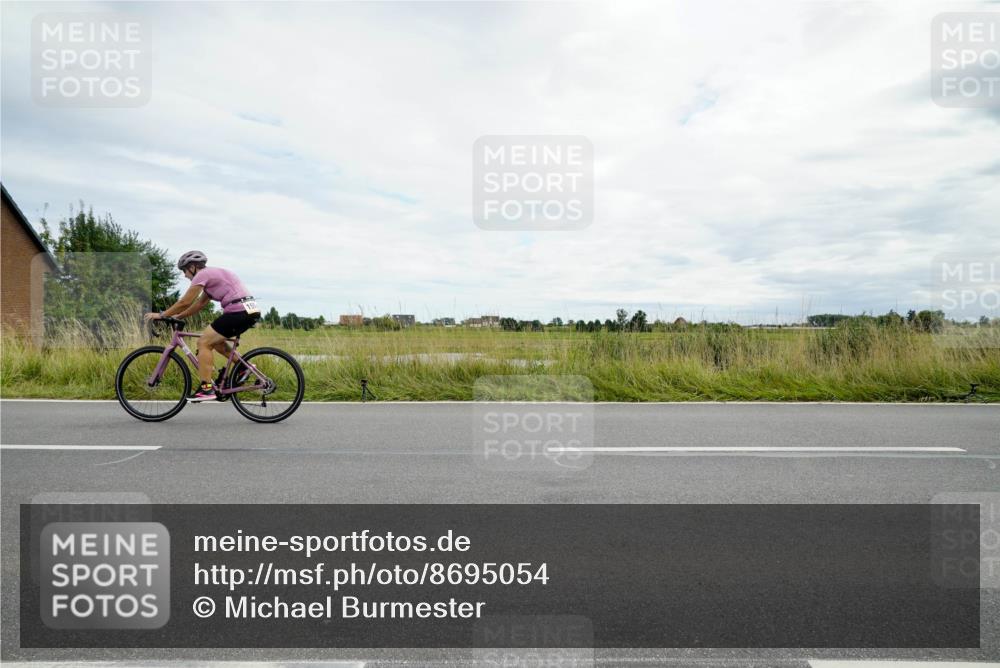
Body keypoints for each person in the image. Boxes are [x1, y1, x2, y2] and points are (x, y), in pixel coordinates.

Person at [145, 251, 260, 402]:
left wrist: (162, 315)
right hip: (250, 311)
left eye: (184, 270)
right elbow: (199, 304)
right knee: (216, 342)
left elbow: (185, 302)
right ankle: (244, 368)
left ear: (192, 267)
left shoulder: (202, 275)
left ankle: (207, 389)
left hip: (237, 311)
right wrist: (177, 317)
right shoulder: (214, 275)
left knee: (203, 343)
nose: (185, 275)